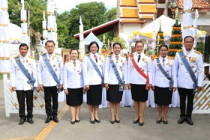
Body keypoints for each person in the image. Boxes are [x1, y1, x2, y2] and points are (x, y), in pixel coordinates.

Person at [174, 36, 204, 125]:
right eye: (186, 42)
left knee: (190, 101)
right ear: (184, 43)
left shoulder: (197, 54)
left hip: (192, 83)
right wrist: (175, 83)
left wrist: (200, 84)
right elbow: (175, 69)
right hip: (181, 82)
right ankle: (182, 116)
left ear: (193, 43)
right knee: (182, 100)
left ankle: (189, 117)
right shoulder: (179, 54)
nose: (188, 43)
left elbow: (201, 70)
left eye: (190, 42)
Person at [10, 43, 37, 125]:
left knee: (29, 102)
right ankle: (22, 117)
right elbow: (12, 73)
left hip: (29, 85)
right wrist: (13, 84)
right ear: (19, 50)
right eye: (22, 49)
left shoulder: (31, 59)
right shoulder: (15, 60)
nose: (23, 51)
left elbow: (34, 72)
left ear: (27, 50)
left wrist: (35, 84)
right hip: (19, 85)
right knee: (21, 102)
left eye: (25, 49)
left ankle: (30, 117)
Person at [127, 41, 152, 126]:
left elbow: (150, 71)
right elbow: (129, 70)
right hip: (134, 82)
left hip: (143, 82)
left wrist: (150, 82)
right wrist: (129, 81)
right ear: (135, 47)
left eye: (141, 46)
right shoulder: (131, 58)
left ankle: (141, 117)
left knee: (143, 100)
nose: (139, 48)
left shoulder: (147, 58)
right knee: (136, 100)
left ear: (143, 47)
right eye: (138, 46)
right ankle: (136, 116)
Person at [38, 40, 63, 123]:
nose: (50, 48)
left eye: (51, 46)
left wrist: (61, 82)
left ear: (54, 47)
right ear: (45, 47)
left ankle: (55, 115)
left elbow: (62, 71)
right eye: (48, 46)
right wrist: (40, 83)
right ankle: (49, 115)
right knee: (47, 100)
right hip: (46, 83)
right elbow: (39, 71)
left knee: (55, 100)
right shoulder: (42, 58)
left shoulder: (58, 57)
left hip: (55, 83)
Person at [151, 45, 177, 124]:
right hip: (158, 84)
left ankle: (165, 116)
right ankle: (159, 116)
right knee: (158, 102)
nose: (163, 52)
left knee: (166, 102)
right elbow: (153, 73)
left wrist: (175, 85)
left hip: (167, 84)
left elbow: (174, 74)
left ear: (167, 51)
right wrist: (153, 84)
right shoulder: (156, 61)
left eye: (165, 50)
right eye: (161, 50)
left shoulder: (171, 61)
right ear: (159, 51)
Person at [104, 42, 127, 124]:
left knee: (118, 100)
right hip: (111, 82)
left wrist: (125, 82)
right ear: (113, 49)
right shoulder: (108, 58)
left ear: (120, 49)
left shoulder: (124, 59)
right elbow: (106, 71)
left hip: (120, 83)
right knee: (111, 100)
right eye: (115, 48)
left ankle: (117, 115)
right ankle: (112, 116)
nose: (117, 49)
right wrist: (106, 82)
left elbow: (125, 71)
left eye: (118, 48)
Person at [82, 41, 104, 124]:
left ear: (97, 48)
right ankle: (91, 116)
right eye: (92, 47)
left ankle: (96, 115)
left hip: (98, 82)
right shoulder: (86, 58)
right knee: (91, 101)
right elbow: (84, 72)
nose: (93, 48)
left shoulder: (101, 57)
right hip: (90, 83)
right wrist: (86, 83)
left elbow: (103, 70)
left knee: (97, 101)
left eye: (95, 47)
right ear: (89, 48)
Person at [63, 49, 83, 124]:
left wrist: (84, 86)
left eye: (75, 53)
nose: (74, 55)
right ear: (70, 54)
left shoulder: (81, 64)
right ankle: (73, 117)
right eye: (72, 53)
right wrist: (65, 87)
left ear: (78, 54)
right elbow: (64, 77)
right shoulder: (67, 64)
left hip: (79, 86)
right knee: (71, 103)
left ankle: (77, 116)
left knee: (78, 103)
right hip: (70, 86)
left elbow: (83, 76)